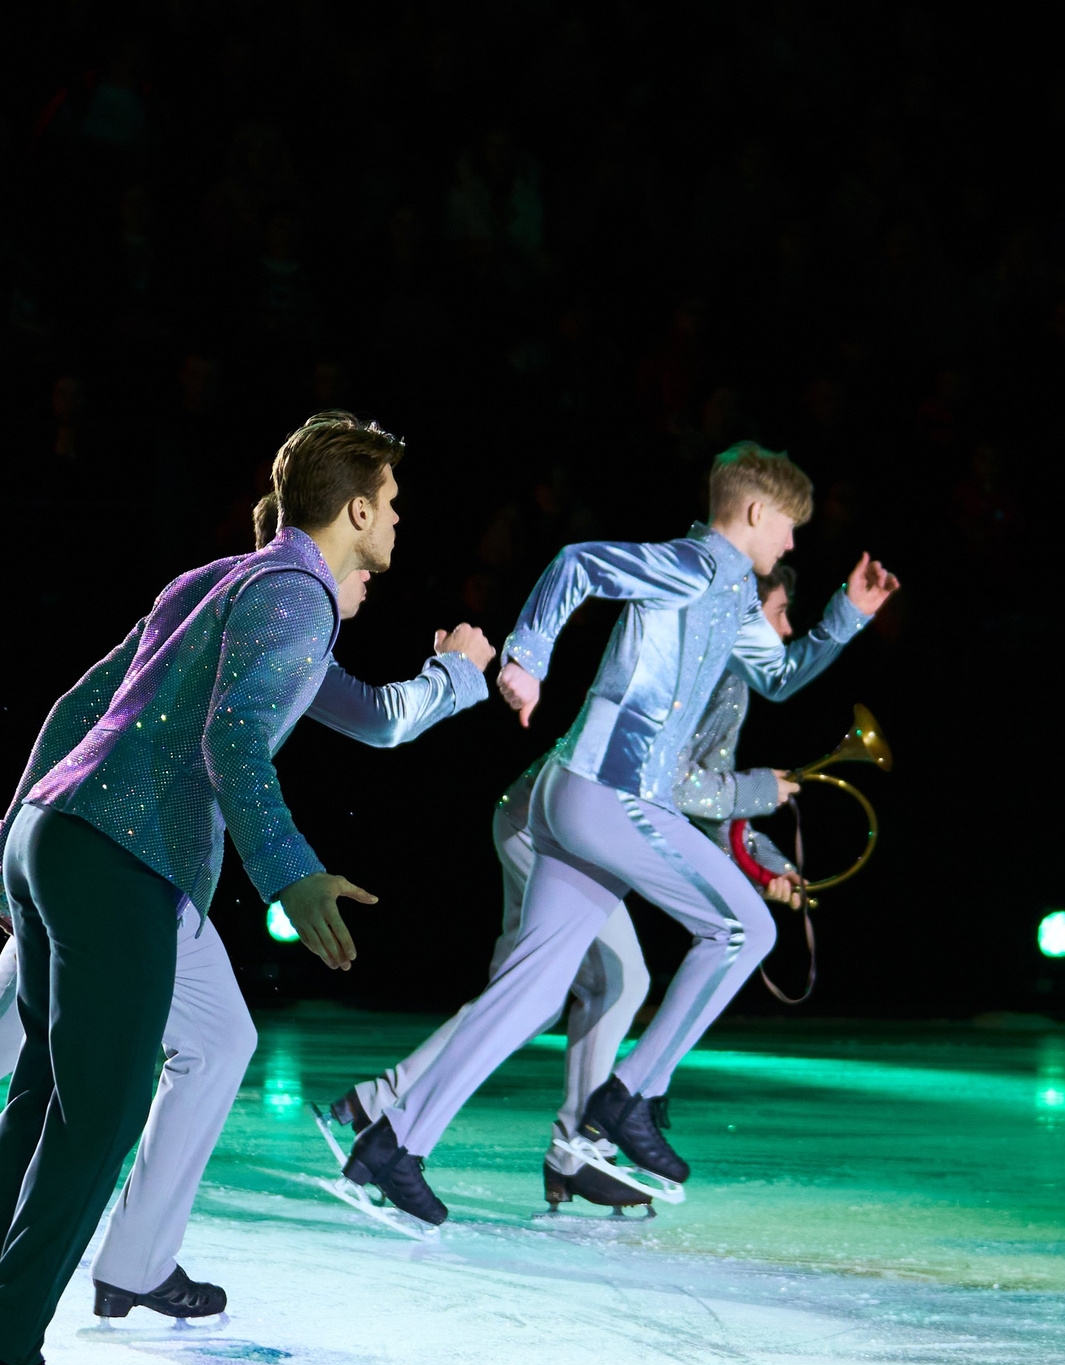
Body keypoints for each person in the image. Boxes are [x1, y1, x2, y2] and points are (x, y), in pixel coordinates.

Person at [0, 571, 494, 1356]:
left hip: (138, 875)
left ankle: (135, 1261)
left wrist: (451, 676)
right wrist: (458, 673)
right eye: (385, 515)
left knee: (220, 1040)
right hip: (113, 862)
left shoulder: (250, 609)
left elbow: (366, 716)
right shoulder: (275, 603)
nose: (380, 560)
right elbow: (117, 713)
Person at [0, 411, 432, 1365]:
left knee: (43, 1105)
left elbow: (82, 702)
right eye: (392, 507)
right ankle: (3, 1348)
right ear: (358, 508)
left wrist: (12, 841)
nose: (397, 528)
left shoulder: (216, 583)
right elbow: (234, 738)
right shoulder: (294, 600)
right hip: (121, 857)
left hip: (56, 834)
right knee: (98, 1117)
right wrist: (290, 874)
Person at [328, 442, 897, 1228]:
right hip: (609, 793)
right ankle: (628, 1098)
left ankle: (393, 1144)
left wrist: (848, 617)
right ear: (756, 513)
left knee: (529, 994)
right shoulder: (694, 565)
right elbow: (576, 565)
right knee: (743, 926)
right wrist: (527, 656)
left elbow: (776, 676)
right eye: (789, 528)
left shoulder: (732, 596)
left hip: (578, 798)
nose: (792, 545)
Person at [319, 561, 808, 1216]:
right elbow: (677, 787)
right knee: (596, 982)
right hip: (553, 821)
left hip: (562, 818)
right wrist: (756, 794)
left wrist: (764, 862)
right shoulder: (705, 658)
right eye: (774, 616)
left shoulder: (726, 685)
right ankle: (574, 1135)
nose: (780, 633)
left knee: (540, 992)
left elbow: (697, 814)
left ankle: (401, 1118)